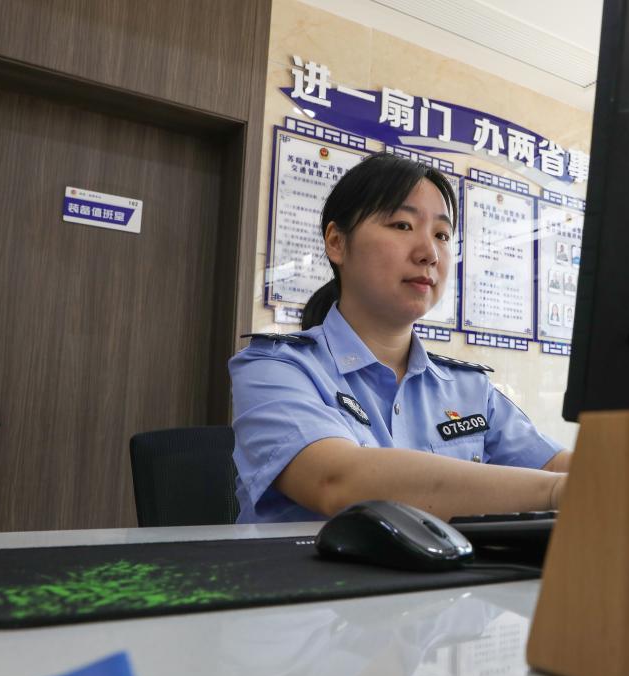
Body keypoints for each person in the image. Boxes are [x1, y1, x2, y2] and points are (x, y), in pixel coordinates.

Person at [230, 153, 570, 523]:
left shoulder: (469, 388)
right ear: (337, 242)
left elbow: (553, 463)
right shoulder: (274, 367)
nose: (429, 254)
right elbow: (336, 481)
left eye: (441, 235)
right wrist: (556, 492)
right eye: (402, 225)